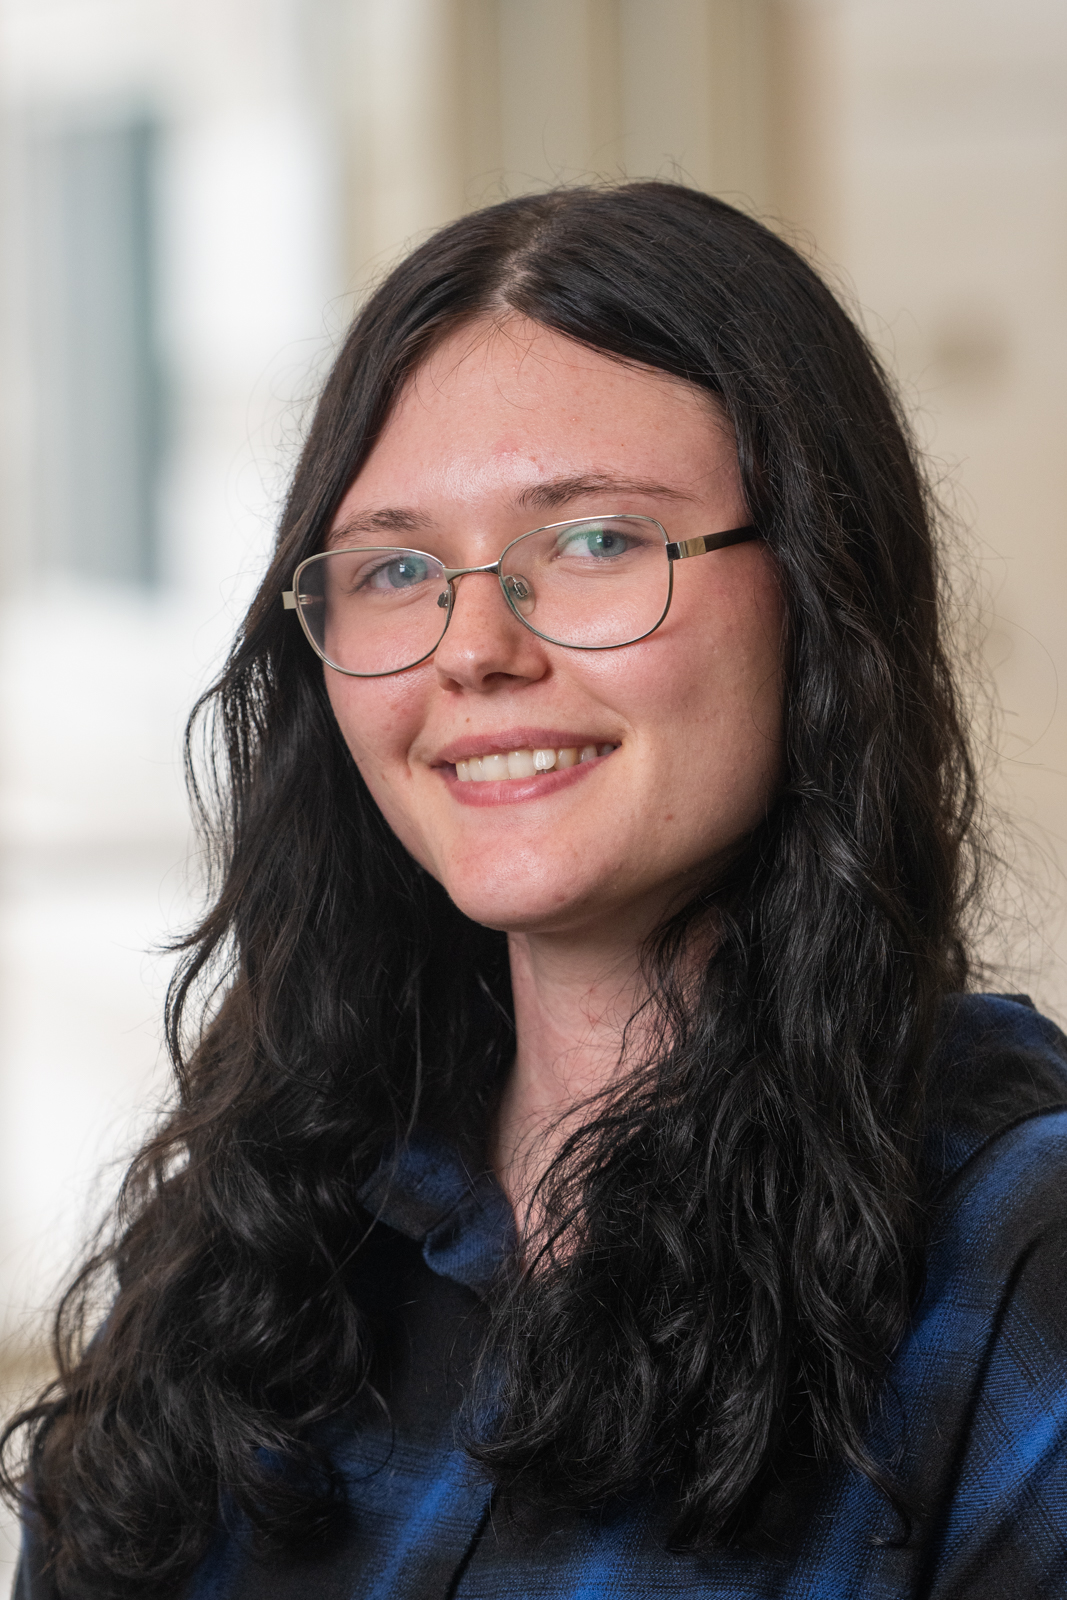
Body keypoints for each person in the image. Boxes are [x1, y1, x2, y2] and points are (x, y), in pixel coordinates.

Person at [7, 182, 1067, 1600]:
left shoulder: (1015, 1251)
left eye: (593, 541)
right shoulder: (259, 1225)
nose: (473, 648)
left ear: (822, 592)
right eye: (396, 566)